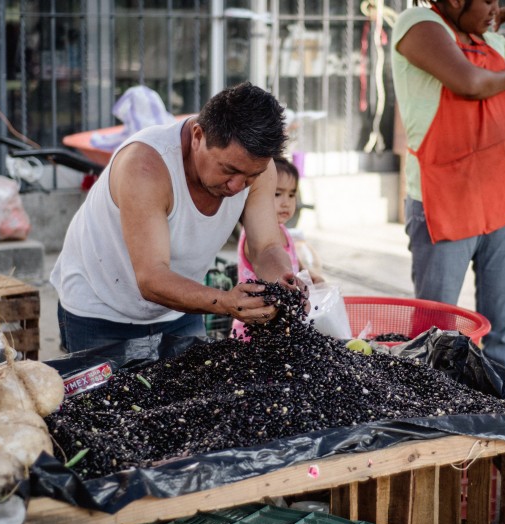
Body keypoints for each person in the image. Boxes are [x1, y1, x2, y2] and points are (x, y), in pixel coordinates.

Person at [50, 82, 296, 352]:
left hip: (181, 307)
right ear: (198, 136)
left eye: (251, 176)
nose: (237, 186)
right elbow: (152, 278)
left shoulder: (258, 168)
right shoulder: (145, 167)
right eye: (228, 169)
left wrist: (285, 282)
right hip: (99, 308)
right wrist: (226, 302)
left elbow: (266, 247)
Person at [390, 0, 505, 377]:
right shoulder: (419, 24)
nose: (496, 7)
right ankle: (433, 418)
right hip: (445, 199)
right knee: (436, 331)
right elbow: (468, 82)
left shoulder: (493, 40)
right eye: (487, 0)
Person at [230, 156, 324, 339]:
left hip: (282, 328)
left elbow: (295, 268)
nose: (286, 202)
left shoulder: (285, 232)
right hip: (254, 331)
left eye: (291, 194)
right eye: (277, 194)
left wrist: (312, 278)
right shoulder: (254, 236)